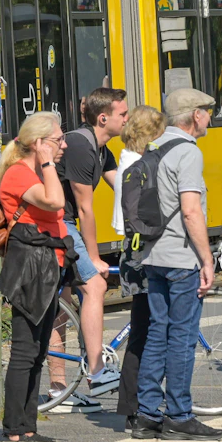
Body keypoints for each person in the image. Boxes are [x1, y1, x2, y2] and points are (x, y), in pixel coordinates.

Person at [130, 87, 222, 442]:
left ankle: (146, 415)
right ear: (195, 115)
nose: (210, 119)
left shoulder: (153, 147)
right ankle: (180, 416)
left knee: (157, 332)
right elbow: (190, 209)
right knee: (182, 338)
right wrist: (206, 259)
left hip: (152, 256)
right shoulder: (187, 152)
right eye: (207, 112)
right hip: (181, 258)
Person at [52, 87, 128, 412]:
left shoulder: (101, 149)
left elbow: (126, 187)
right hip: (55, 222)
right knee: (95, 284)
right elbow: (85, 210)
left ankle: (58, 393)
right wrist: (94, 259)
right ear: (103, 118)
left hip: (60, 221)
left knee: (62, 305)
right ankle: (96, 373)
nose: (127, 118)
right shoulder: (81, 146)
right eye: (122, 114)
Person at [0, 112, 69, 442]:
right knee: (25, 350)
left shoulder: (36, 172)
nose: (64, 145)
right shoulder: (18, 174)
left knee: (38, 350)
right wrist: (48, 163)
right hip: (30, 271)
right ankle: (14, 427)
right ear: (39, 143)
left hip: (46, 268)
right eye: (58, 140)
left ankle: (28, 427)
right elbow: (54, 202)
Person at [112, 104, 164, 421]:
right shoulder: (138, 165)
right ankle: (135, 405)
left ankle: (133, 403)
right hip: (143, 252)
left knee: (143, 330)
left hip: (135, 249)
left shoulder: (128, 161)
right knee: (146, 331)